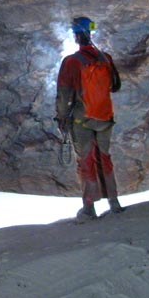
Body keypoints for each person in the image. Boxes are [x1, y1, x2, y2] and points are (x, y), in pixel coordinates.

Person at [55, 16, 124, 220]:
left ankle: (89, 207)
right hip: (104, 117)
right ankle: (114, 202)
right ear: (90, 33)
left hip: (81, 119)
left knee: (85, 160)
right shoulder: (106, 59)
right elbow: (115, 86)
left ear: (76, 36)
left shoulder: (71, 62)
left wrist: (61, 119)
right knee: (104, 158)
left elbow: (64, 95)